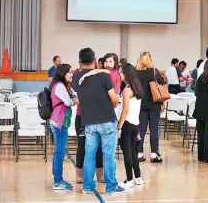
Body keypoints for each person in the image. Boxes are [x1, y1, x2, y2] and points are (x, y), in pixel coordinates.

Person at [73, 48, 123, 194]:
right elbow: (114, 99)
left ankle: (88, 187)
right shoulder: (103, 77)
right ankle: (111, 187)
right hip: (107, 119)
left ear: (80, 62)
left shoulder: (76, 78)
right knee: (108, 155)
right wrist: (112, 104)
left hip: (89, 121)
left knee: (90, 155)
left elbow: (78, 76)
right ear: (95, 61)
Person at [49, 64, 79, 190]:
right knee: (60, 151)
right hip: (59, 122)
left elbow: (75, 94)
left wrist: (74, 98)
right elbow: (68, 101)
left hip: (61, 121)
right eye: (69, 72)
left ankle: (57, 179)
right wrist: (73, 101)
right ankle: (58, 181)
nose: (71, 74)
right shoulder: (59, 86)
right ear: (62, 74)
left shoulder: (65, 86)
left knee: (59, 151)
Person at [117, 63, 145, 188]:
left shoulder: (127, 90)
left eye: (121, 72)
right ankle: (138, 177)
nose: (119, 74)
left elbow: (125, 110)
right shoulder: (137, 87)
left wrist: (119, 126)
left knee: (127, 153)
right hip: (135, 123)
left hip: (127, 123)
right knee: (133, 151)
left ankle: (129, 179)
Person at [135, 52, 165, 163]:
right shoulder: (154, 71)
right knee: (154, 128)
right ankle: (154, 154)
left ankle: (139, 153)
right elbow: (162, 83)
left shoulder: (136, 73)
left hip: (141, 104)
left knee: (141, 129)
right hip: (154, 103)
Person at [193, 59, 208, 163]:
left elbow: (196, 93)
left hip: (199, 109)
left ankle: (201, 156)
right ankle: (207, 156)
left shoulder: (200, 78)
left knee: (201, 134)